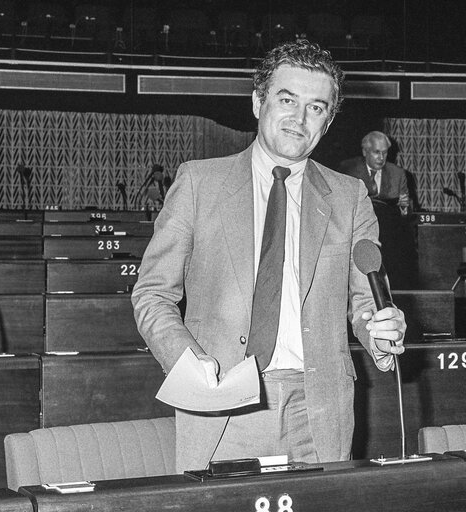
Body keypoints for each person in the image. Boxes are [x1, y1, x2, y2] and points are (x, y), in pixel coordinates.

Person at [131, 40, 407, 473]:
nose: (299, 119)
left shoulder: (351, 198)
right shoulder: (198, 184)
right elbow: (151, 295)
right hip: (221, 402)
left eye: (316, 108)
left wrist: (381, 330)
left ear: (328, 121)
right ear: (258, 102)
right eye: (287, 99)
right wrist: (188, 360)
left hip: (319, 411)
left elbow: (366, 303)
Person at [338, 131, 411, 214]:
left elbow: (406, 213)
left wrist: (404, 207)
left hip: (389, 224)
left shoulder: (397, 174)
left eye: (384, 152)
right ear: (365, 152)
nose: (381, 157)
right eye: (376, 152)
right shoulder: (349, 170)